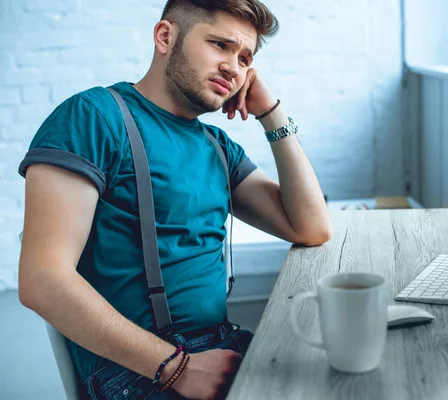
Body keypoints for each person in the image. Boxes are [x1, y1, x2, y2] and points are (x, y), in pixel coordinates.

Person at [17, 0, 333, 398]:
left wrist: (271, 112)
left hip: (222, 347)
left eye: (245, 58)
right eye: (220, 45)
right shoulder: (94, 117)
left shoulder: (218, 147)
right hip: (143, 373)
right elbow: (41, 279)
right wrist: (177, 368)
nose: (234, 67)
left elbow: (311, 227)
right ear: (165, 36)